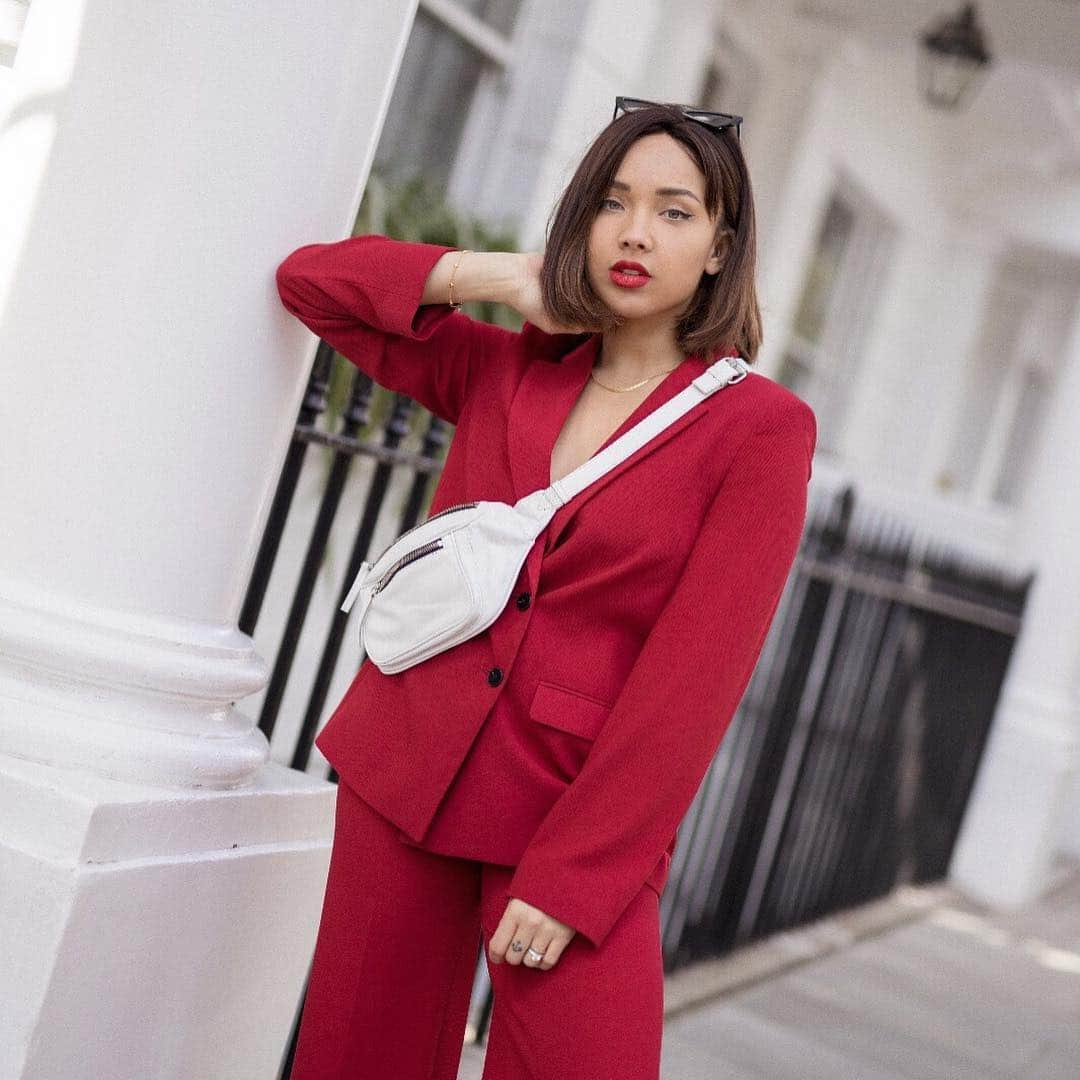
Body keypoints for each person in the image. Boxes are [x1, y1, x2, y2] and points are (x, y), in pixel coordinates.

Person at [275, 97, 816, 1080]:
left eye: (674, 210)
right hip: (406, 768)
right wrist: (501, 278)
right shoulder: (505, 371)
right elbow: (311, 286)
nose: (636, 231)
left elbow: (695, 681)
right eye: (611, 202)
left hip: (572, 811)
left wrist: (577, 880)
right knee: (360, 1060)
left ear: (720, 245)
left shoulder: (760, 428)